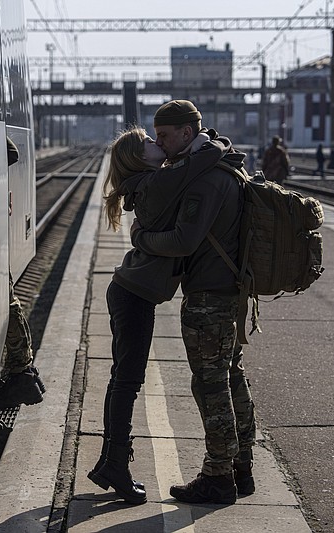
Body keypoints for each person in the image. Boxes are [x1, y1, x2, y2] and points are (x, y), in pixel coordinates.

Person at [89, 124, 229, 505]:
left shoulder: (153, 182)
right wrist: (213, 144)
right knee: (127, 381)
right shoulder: (154, 184)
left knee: (124, 379)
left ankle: (111, 462)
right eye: (150, 142)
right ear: (138, 157)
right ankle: (114, 464)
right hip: (132, 296)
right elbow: (208, 160)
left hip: (132, 294)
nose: (157, 143)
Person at [133, 99, 256, 505]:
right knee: (230, 375)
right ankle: (242, 466)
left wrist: (142, 238)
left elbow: (184, 240)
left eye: (164, 136)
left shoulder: (205, 180)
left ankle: (218, 475)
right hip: (229, 292)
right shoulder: (222, 167)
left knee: (210, 383)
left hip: (209, 298)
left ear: (187, 134)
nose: (159, 143)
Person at [0, 137, 46, 411]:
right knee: (7, 302)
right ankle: (22, 372)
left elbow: (10, 151)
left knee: (6, 303)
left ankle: (22, 372)